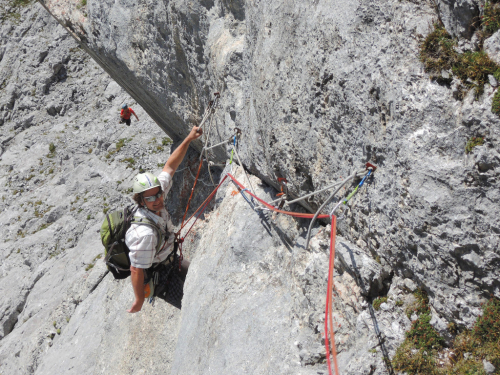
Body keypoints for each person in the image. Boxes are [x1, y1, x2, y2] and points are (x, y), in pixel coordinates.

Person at [126, 126, 202, 313]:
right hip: (161, 276)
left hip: (171, 258)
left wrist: (188, 139)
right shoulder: (145, 234)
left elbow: (170, 166)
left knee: (201, 281)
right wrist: (138, 300)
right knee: (194, 307)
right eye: (150, 198)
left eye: (158, 194)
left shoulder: (156, 194)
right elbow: (136, 269)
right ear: (141, 201)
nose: (157, 200)